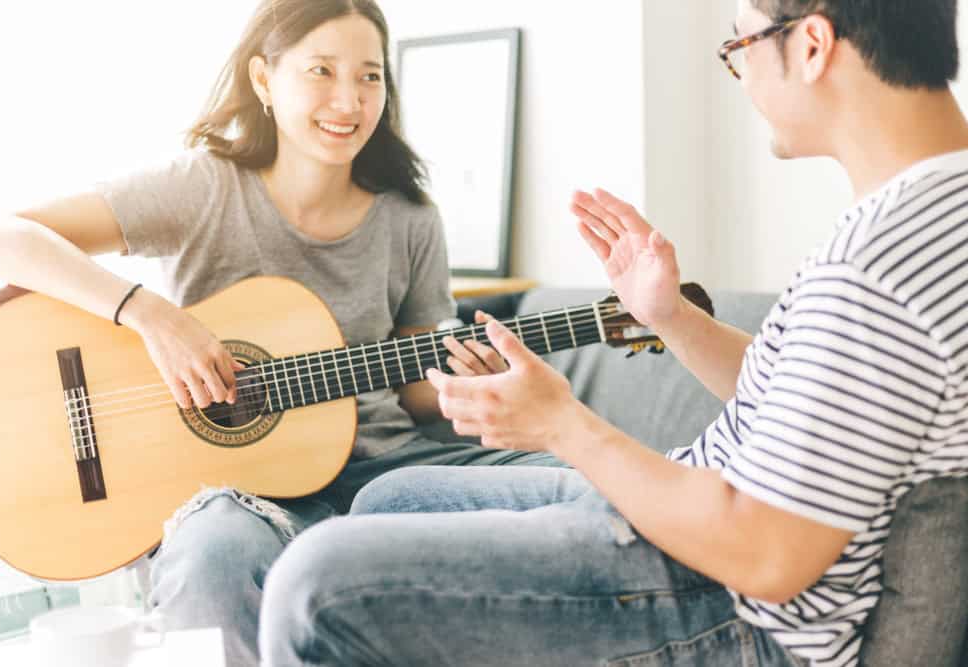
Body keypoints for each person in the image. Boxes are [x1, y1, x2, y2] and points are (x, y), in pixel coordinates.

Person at [256, 1, 968, 665]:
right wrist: (671, 318)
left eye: (741, 45)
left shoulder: (876, 269)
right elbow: (812, 399)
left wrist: (561, 423)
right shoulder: (929, 216)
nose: (741, 71)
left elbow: (768, 554)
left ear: (812, 46)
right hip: (711, 523)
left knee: (312, 591)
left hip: (734, 604)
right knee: (392, 499)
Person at [0, 1, 563, 666]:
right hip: (234, 489)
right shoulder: (204, 188)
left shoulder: (410, 217)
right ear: (263, 80)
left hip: (393, 473)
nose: (349, 99)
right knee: (215, 556)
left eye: (370, 76)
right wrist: (147, 312)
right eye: (321, 71)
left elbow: (412, 382)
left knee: (588, 486)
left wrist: (462, 383)